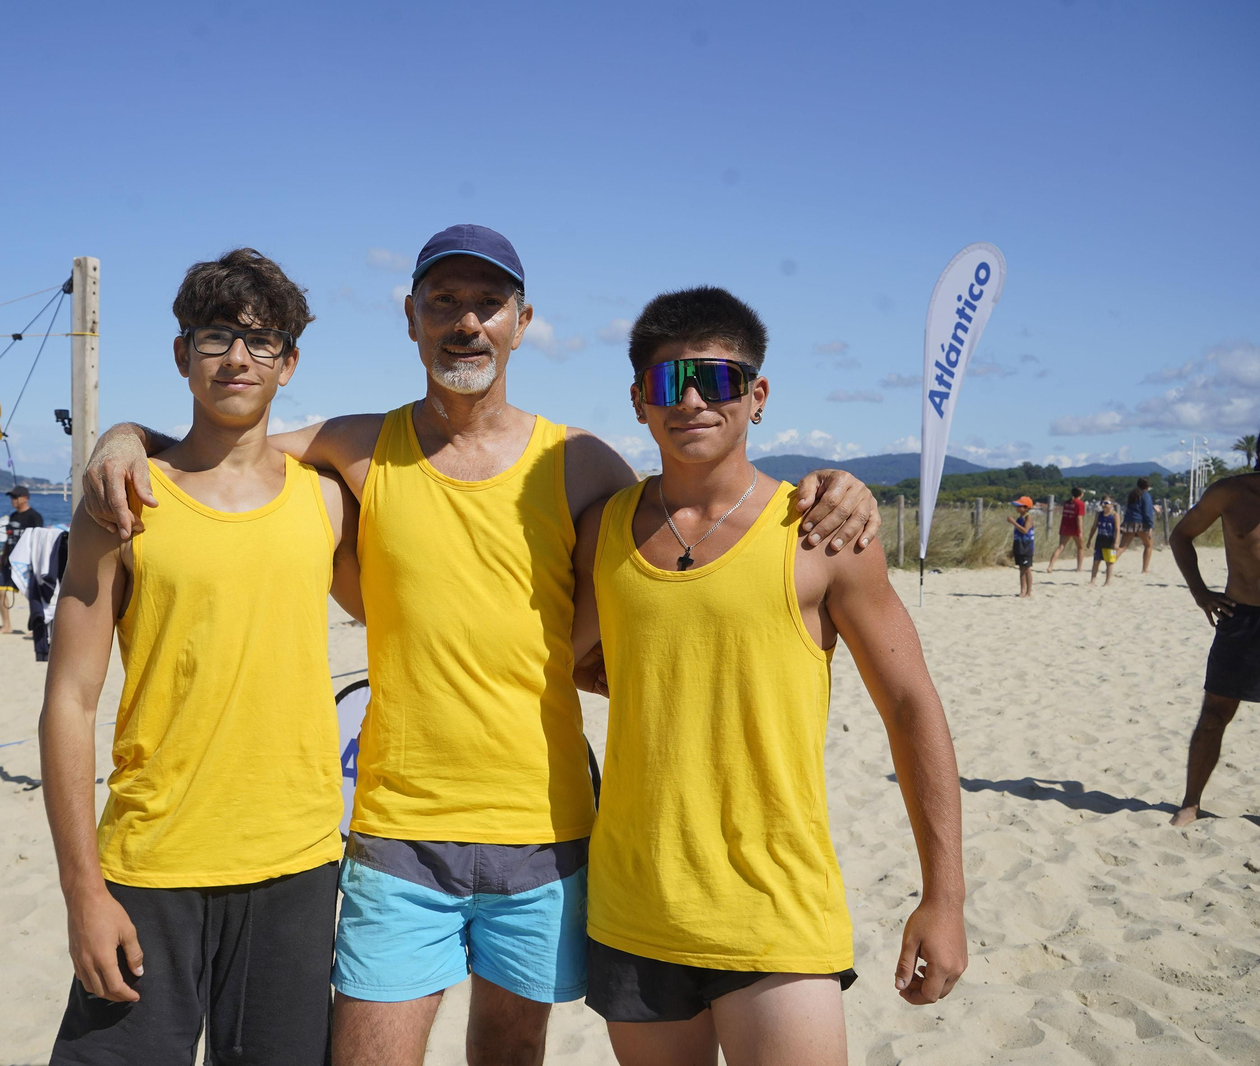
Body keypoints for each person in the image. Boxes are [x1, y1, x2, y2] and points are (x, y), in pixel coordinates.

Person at [82, 226, 881, 1065]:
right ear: (412, 316)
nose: (467, 322)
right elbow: (217, 454)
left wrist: (831, 485)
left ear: (521, 319)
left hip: (546, 830)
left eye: (487, 304)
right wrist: (124, 437)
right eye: (445, 302)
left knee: (508, 1052)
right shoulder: (356, 446)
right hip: (397, 831)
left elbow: (691, 517)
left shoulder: (577, 462)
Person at [567, 286, 964, 1066]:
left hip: (776, 908)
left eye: (714, 379)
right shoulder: (603, 530)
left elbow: (913, 707)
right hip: (633, 907)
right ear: (639, 404)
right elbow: (555, 656)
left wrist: (944, 897)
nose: (689, 400)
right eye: (664, 382)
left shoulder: (820, 533)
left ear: (757, 396)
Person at [41, 249, 359, 1064]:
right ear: (183, 355)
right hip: (153, 860)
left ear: (290, 364)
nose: (237, 358)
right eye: (217, 337)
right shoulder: (123, 502)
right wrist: (84, 893)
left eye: (262, 341)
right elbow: (70, 702)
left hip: (295, 863)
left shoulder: (325, 501)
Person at [1167, 465, 1260, 826]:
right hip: (1241, 619)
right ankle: (1191, 803)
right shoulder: (1230, 492)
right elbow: (1180, 536)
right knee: (1214, 715)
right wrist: (1199, 592)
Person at [0, 486, 43, 634]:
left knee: (32, 596)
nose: (13, 500)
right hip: (9, 561)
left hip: (26, 562)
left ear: (26, 498)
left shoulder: (34, 516)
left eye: (16, 497)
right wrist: (2, 559)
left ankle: (37, 628)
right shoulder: (12, 516)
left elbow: (39, 540)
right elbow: (7, 539)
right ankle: (6, 626)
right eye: (12, 497)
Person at [1120, 477, 1156, 574]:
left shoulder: (1133, 495)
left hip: (1129, 521)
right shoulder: (1146, 496)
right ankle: (1145, 569)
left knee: (1122, 547)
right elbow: (1147, 513)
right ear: (1148, 486)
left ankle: (1109, 562)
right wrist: (1150, 526)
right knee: (1148, 545)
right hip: (1140, 523)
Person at [1047, 487, 1086, 572]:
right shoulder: (1080, 504)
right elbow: (1079, 518)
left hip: (1065, 526)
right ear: (1081, 494)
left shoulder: (1067, 503)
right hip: (1075, 528)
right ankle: (1079, 568)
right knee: (1080, 547)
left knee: (1061, 546)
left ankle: (1050, 566)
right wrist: (1081, 531)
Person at [1009, 496, 1037, 597]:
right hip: (1019, 546)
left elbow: (1025, 530)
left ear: (1026, 508)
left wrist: (1013, 523)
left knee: (1027, 568)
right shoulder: (1019, 518)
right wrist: (1013, 549)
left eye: (1019, 506)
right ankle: (1022, 590)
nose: (1016, 508)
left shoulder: (1028, 517)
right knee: (1021, 568)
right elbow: (1016, 535)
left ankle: (1028, 591)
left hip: (1026, 547)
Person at [1089, 497, 1119, 586]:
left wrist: (1116, 542)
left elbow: (1117, 529)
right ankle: (1092, 580)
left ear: (1112, 504)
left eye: (1106, 503)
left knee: (1109, 562)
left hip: (1110, 541)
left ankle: (1107, 582)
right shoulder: (1098, 514)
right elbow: (1094, 527)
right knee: (1096, 561)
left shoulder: (1114, 515)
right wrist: (1089, 539)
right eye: (1102, 502)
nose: (1103, 505)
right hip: (1100, 540)